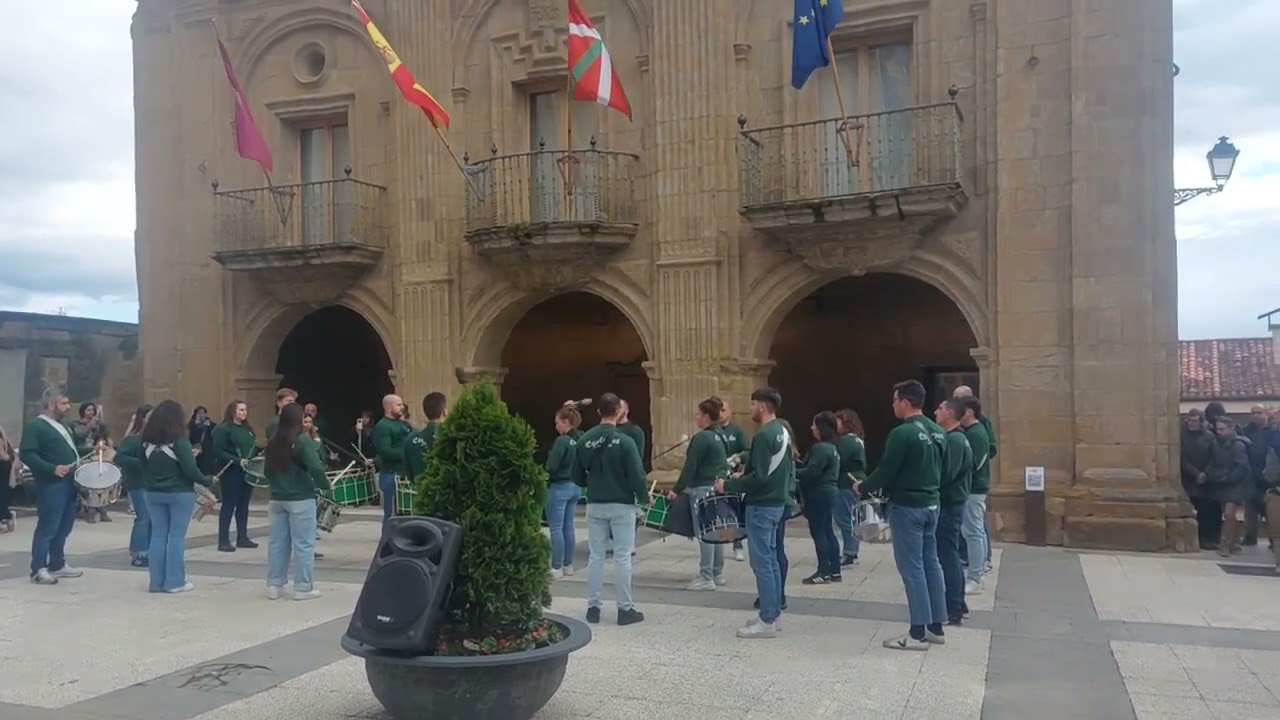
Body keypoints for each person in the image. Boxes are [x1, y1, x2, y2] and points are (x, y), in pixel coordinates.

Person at [861, 379, 948, 651]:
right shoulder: (939, 432)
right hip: (932, 503)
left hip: (908, 506)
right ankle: (936, 626)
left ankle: (917, 633)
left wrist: (862, 487)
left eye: (895, 400)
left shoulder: (902, 433)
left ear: (905, 402)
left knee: (912, 569)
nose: (893, 405)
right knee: (931, 563)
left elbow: (887, 469)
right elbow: (943, 470)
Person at [716, 387, 792, 639]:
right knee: (771, 560)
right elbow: (771, 470)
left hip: (761, 504)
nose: (750, 409)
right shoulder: (782, 431)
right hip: (777, 502)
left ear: (761, 405)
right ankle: (774, 614)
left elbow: (759, 477)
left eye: (752, 405)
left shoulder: (762, 436)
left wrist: (728, 484)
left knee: (762, 563)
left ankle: (767, 619)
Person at [572, 392, 647, 626]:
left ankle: (593, 607)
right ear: (618, 411)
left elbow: (576, 475)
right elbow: (636, 475)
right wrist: (643, 498)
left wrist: (591, 483)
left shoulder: (585, 440)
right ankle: (625, 609)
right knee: (623, 557)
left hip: (595, 503)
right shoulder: (626, 441)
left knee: (596, 556)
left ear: (598, 412)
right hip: (621, 503)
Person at [140, 400, 213, 594]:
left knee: (157, 535)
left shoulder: (145, 441)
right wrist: (207, 480)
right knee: (176, 537)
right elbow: (190, 470)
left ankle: (156, 582)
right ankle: (174, 582)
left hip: (153, 493)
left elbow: (142, 467)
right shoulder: (180, 440)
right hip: (179, 492)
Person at [264, 403, 328, 601]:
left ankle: (274, 585)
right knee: (304, 544)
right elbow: (316, 466)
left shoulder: (273, 441)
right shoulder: (302, 441)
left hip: (276, 498)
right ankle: (302, 587)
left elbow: (266, 471)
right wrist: (325, 485)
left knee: (277, 543)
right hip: (300, 496)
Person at [22, 387, 83, 586]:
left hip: (70, 481)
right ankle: (38, 568)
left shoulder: (64, 424)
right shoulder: (35, 426)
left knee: (64, 526)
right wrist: (51, 468)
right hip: (51, 483)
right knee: (47, 527)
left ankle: (57, 563)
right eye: (63, 403)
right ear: (50, 404)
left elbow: (70, 449)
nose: (67, 407)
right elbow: (27, 453)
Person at [668, 397, 730, 591]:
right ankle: (717, 572)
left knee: (705, 533)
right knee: (717, 531)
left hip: (702, 489)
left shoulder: (702, 438)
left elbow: (690, 467)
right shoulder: (721, 435)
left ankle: (706, 576)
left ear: (705, 416)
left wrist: (677, 489)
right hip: (718, 487)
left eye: (698, 414)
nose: (696, 417)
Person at [934, 398, 972, 625]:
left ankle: (953, 605)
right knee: (949, 553)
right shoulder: (955, 438)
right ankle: (958, 601)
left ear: (949, 412)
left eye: (939, 408)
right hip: (952, 502)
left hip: (950, 503)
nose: (936, 412)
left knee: (948, 554)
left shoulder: (956, 440)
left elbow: (947, 474)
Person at [797, 411, 842, 584]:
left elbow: (812, 472)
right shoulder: (833, 448)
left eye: (814, 425)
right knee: (828, 530)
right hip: (829, 492)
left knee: (819, 532)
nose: (811, 428)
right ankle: (834, 570)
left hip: (818, 493)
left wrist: (792, 472)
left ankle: (823, 571)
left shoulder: (821, 448)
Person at [211, 400, 260, 552]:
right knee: (229, 504)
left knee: (244, 504)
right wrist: (238, 460)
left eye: (245, 410)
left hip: (247, 470)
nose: (244, 412)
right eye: (240, 410)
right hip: (231, 470)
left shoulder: (247, 429)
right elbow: (219, 451)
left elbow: (252, 446)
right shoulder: (223, 429)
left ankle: (242, 537)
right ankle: (223, 540)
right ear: (233, 411)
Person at [710, 396, 750, 562]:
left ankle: (737, 544)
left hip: (731, 476)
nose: (720, 414)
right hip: (714, 477)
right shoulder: (712, 432)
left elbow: (747, 451)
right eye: (718, 410)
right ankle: (714, 542)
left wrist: (737, 458)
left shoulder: (737, 431)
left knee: (733, 511)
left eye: (724, 410)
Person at [958, 397, 992, 593]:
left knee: (973, 531)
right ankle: (975, 572)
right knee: (971, 531)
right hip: (972, 489)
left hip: (974, 489)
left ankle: (976, 577)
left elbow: (974, 463)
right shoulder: (973, 432)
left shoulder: (977, 434)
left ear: (969, 412)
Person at [113, 405, 154, 567]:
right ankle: (139, 552)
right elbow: (120, 458)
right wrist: (141, 463)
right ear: (142, 419)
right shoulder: (133, 439)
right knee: (143, 518)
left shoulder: (155, 439)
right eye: (149, 416)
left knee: (152, 519)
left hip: (153, 484)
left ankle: (150, 549)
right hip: (138, 484)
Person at [1208, 418, 1252, 556]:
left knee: (1229, 514)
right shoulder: (1215, 443)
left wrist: (1229, 478)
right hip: (1221, 482)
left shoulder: (1238, 445)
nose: (1219, 432)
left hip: (1236, 484)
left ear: (1230, 428)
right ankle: (1234, 543)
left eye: (1222, 429)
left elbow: (1242, 466)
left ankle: (1226, 545)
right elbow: (1212, 461)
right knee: (1231, 516)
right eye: (1217, 429)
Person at [547, 405, 581, 579]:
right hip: (576, 486)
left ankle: (556, 566)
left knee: (556, 529)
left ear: (566, 422)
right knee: (569, 527)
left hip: (560, 486)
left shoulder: (561, 441)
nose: (556, 426)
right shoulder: (580, 439)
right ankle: (568, 564)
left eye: (558, 422)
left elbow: (552, 466)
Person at [833, 409, 867, 567]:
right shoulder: (858, 440)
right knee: (851, 517)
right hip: (856, 481)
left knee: (844, 518)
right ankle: (852, 550)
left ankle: (849, 553)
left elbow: (837, 461)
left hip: (845, 483)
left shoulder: (845, 441)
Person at [372, 394, 413, 521]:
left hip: (404, 475)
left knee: (406, 516)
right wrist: (407, 453)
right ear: (389, 408)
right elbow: (385, 452)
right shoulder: (383, 426)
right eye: (398, 405)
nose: (402, 407)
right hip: (391, 475)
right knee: (392, 517)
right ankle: (386, 541)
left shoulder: (404, 425)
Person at [72, 402, 113, 523]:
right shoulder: (76, 424)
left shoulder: (98, 425)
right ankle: (90, 511)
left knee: (101, 482)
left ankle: (102, 509)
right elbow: (79, 435)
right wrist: (90, 424)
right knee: (89, 484)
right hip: (82, 456)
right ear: (83, 412)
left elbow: (104, 436)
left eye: (93, 410)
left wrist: (100, 422)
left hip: (97, 457)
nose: (91, 412)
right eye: (89, 410)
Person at [403, 392, 447, 483]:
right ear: (444, 412)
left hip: (420, 491)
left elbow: (409, 472)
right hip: (445, 492)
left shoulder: (410, 439)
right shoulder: (450, 436)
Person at [0, 423, 17, 534]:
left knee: (2, 492)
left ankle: (4, 518)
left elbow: (9, 451)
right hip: (4, 462)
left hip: (2, 463)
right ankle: (6, 515)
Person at [188, 406, 216, 473]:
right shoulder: (191, 425)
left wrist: (208, 426)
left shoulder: (212, 425)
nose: (201, 415)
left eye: (203, 413)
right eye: (199, 413)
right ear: (195, 415)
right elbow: (189, 437)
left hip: (208, 453)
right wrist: (195, 425)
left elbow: (214, 437)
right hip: (196, 453)